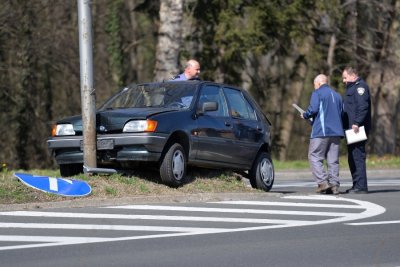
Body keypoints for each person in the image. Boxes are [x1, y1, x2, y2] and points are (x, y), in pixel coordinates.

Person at [301, 74, 344, 195]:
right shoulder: (338, 95)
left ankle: (322, 182)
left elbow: (313, 109)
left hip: (321, 131)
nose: (315, 87)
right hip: (336, 132)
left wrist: (305, 115)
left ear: (319, 83)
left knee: (314, 156)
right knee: (333, 160)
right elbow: (341, 113)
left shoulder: (317, 93)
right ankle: (334, 185)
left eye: (315, 85)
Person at [342, 67, 371, 194]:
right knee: (352, 157)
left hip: (357, 129)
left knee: (357, 156)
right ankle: (356, 185)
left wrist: (357, 123)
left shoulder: (361, 88)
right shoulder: (352, 87)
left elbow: (363, 107)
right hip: (351, 129)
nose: (344, 80)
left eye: (345, 77)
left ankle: (361, 186)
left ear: (353, 76)